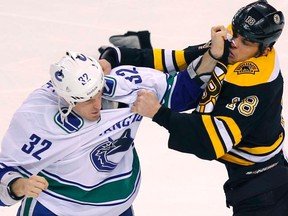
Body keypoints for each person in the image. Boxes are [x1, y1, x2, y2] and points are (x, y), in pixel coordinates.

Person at [102, 1, 288, 215]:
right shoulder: (233, 46)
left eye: (245, 41)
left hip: (266, 194)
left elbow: (209, 142)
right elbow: (179, 58)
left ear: (264, 50)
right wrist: (115, 56)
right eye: (234, 33)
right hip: (256, 183)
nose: (234, 43)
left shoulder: (256, 86)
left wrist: (158, 113)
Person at [0, 50, 209, 215]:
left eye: (99, 92)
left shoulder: (124, 85)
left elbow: (182, 92)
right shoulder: (36, 119)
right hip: (57, 208)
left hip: (115, 206)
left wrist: (214, 55)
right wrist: (18, 186)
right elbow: (4, 169)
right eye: (88, 99)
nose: (98, 105)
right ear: (65, 98)